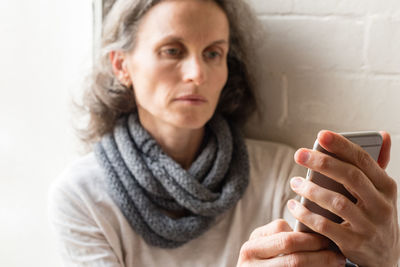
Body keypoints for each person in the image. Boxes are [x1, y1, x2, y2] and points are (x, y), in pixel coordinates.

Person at [48, 0, 400, 266]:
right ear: (122, 66)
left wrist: (379, 260)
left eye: (213, 53)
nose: (197, 74)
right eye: (172, 50)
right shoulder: (82, 196)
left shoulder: (281, 174)